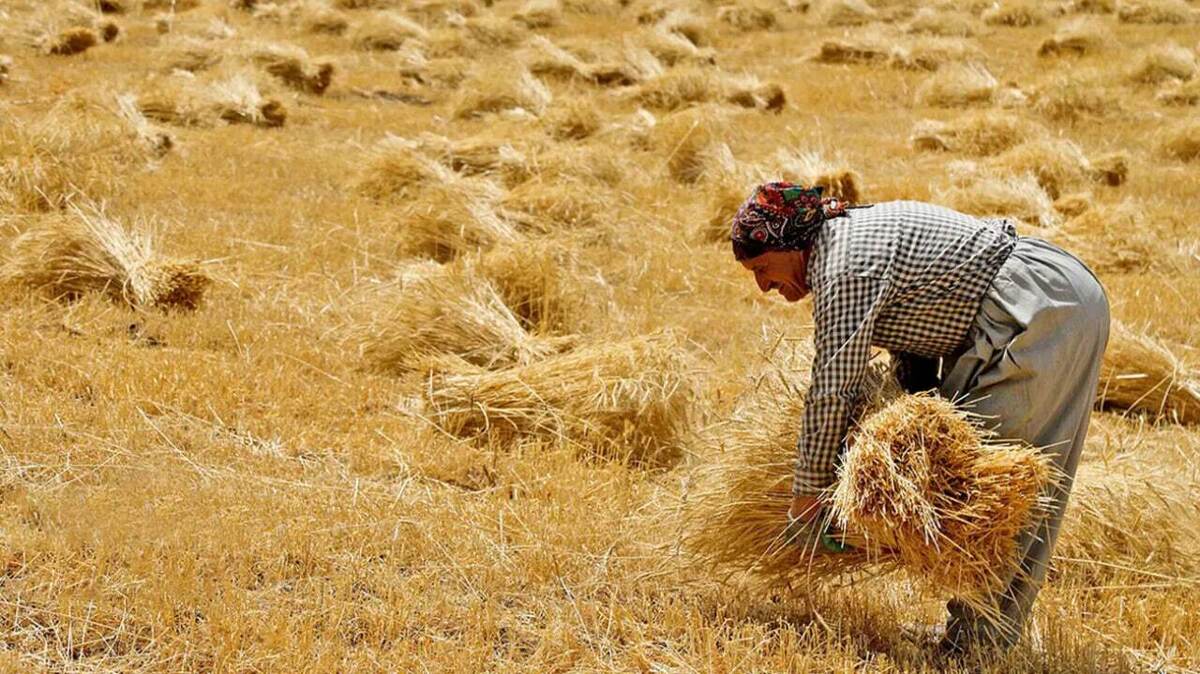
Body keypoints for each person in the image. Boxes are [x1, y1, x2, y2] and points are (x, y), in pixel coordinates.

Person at [729, 182, 1110, 655]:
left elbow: (833, 388)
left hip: (1043, 310)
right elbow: (917, 322)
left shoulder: (844, 265)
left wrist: (807, 497)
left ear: (794, 244)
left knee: (991, 488)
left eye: (764, 268)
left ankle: (978, 647)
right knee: (974, 485)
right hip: (1039, 300)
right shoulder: (843, 242)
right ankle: (971, 634)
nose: (763, 286)